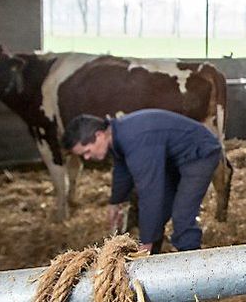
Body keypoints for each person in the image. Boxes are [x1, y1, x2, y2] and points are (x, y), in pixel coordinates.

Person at [63, 109, 224, 254]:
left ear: (99, 135)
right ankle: (153, 257)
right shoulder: (117, 135)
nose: (87, 158)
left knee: (182, 217)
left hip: (200, 153)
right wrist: (116, 202)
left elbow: (151, 192)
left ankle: (193, 271)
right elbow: (122, 170)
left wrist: (145, 243)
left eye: (87, 152)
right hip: (174, 158)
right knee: (159, 212)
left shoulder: (135, 140)